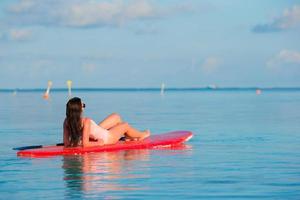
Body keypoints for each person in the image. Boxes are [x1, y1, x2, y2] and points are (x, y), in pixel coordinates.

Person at [63, 97, 150, 148]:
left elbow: (66, 143)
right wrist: (98, 143)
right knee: (125, 125)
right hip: (107, 138)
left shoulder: (66, 122)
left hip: (98, 132)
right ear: (79, 110)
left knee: (116, 117)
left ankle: (128, 136)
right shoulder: (86, 121)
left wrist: (77, 142)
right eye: (83, 105)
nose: (84, 107)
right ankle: (141, 134)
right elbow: (86, 144)